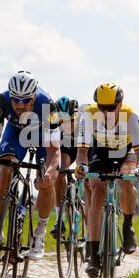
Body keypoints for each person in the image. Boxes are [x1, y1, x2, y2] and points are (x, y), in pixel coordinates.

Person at [0, 71, 60, 261]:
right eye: (16, 100)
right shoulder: (1, 101)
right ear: (10, 96)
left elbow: (54, 151)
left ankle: (39, 233)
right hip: (15, 132)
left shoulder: (47, 105)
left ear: (34, 96)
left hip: (41, 137)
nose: (20, 105)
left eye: (26, 101)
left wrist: (48, 172)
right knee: (4, 170)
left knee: (46, 181)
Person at [75, 82, 139, 278]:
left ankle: (128, 224)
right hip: (101, 151)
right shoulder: (88, 115)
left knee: (127, 179)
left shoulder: (131, 116)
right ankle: (93, 255)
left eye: (111, 107)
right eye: (102, 107)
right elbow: (82, 152)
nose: (106, 112)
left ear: (120, 104)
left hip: (127, 152)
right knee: (97, 190)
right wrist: (81, 167)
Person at [50, 96, 79, 238]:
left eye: (71, 121)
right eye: (63, 121)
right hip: (67, 145)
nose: (67, 125)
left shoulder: (86, 123)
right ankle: (59, 220)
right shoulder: (53, 124)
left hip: (85, 146)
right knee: (60, 170)